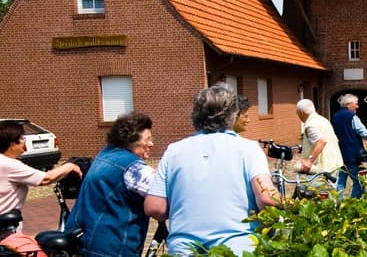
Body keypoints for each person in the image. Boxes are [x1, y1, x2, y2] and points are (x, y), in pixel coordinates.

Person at [145, 85, 279, 255]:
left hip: (185, 250)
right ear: (232, 115)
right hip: (236, 248)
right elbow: (267, 198)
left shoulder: (174, 151)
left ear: (196, 116)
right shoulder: (248, 149)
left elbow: (154, 208)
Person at [0, 120, 82, 243]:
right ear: (12, 144)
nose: (24, 141)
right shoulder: (8, 165)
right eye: (22, 138)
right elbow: (46, 179)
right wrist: (70, 165)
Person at [64, 112, 155, 257]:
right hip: (113, 247)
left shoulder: (104, 154)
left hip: (84, 240)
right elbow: (161, 192)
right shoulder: (134, 168)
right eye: (147, 139)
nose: (151, 144)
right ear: (130, 140)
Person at [331, 93, 367, 198]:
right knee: (358, 182)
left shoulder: (335, 116)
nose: (357, 106)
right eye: (356, 104)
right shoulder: (351, 117)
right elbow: (362, 131)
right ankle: (354, 202)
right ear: (348, 105)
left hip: (340, 154)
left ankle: (339, 203)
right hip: (354, 154)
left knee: (340, 182)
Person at [295, 98, 343, 175]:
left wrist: (309, 161)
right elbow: (335, 139)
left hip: (323, 169)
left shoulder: (311, 125)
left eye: (297, 113)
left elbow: (321, 141)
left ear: (301, 112)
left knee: (312, 186)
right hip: (334, 164)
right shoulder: (323, 120)